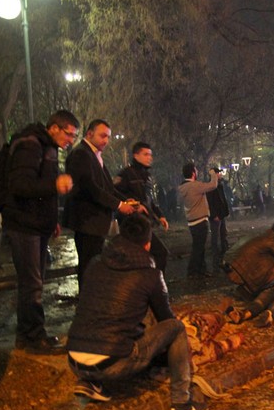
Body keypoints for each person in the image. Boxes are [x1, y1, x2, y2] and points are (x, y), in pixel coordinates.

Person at [66, 214, 208, 410]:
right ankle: (181, 403)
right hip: (113, 363)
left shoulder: (95, 263)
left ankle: (90, 383)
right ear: (148, 244)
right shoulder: (150, 275)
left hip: (74, 359)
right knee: (176, 328)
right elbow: (165, 320)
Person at [2, 110, 79, 354]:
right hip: (24, 226)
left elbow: (41, 193)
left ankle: (28, 335)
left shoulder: (48, 147)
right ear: (54, 127)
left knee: (35, 283)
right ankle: (33, 339)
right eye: (69, 134)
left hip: (37, 224)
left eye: (73, 137)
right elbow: (20, 185)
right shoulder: (30, 144)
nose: (70, 140)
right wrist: (54, 184)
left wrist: (51, 220)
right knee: (32, 285)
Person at [63, 119, 136, 288]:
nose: (106, 141)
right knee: (89, 265)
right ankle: (88, 304)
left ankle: (91, 301)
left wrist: (125, 201)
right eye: (102, 136)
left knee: (93, 264)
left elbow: (107, 187)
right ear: (89, 134)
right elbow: (91, 188)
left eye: (108, 137)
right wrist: (119, 205)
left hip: (94, 221)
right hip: (88, 221)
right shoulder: (82, 154)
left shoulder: (93, 154)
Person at [114, 142, 170, 273]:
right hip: (133, 224)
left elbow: (149, 200)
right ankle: (153, 286)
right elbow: (116, 195)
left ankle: (145, 286)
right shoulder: (125, 174)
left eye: (150, 155)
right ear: (136, 155)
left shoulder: (147, 176)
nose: (149, 157)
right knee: (159, 253)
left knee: (146, 257)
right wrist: (134, 206)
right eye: (145, 154)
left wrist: (160, 215)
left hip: (145, 222)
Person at [225, 219, 274, 297]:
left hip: (236, 268)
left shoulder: (265, 235)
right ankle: (252, 290)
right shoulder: (273, 240)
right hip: (244, 273)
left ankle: (246, 288)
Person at [178, 163, 218, 278]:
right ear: (193, 173)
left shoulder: (183, 187)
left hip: (192, 221)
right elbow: (213, 185)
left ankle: (201, 269)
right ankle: (193, 270)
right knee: (198, 248)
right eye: (196, 170)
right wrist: (213, 174)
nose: (197, 172)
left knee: (198, 246)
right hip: (200, 221)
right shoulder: (194, 186)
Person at [206, 168, 230, 273]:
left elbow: (222, 200)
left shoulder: (219, 185)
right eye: (218, 173)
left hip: (221, 215)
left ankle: (223, 256)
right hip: (216, 216)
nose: (220, 174)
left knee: (223, 235)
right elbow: (210, 202)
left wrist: (225, 212)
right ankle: (216, 259)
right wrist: (214, 215)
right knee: (215, 237)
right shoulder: (211, 187)